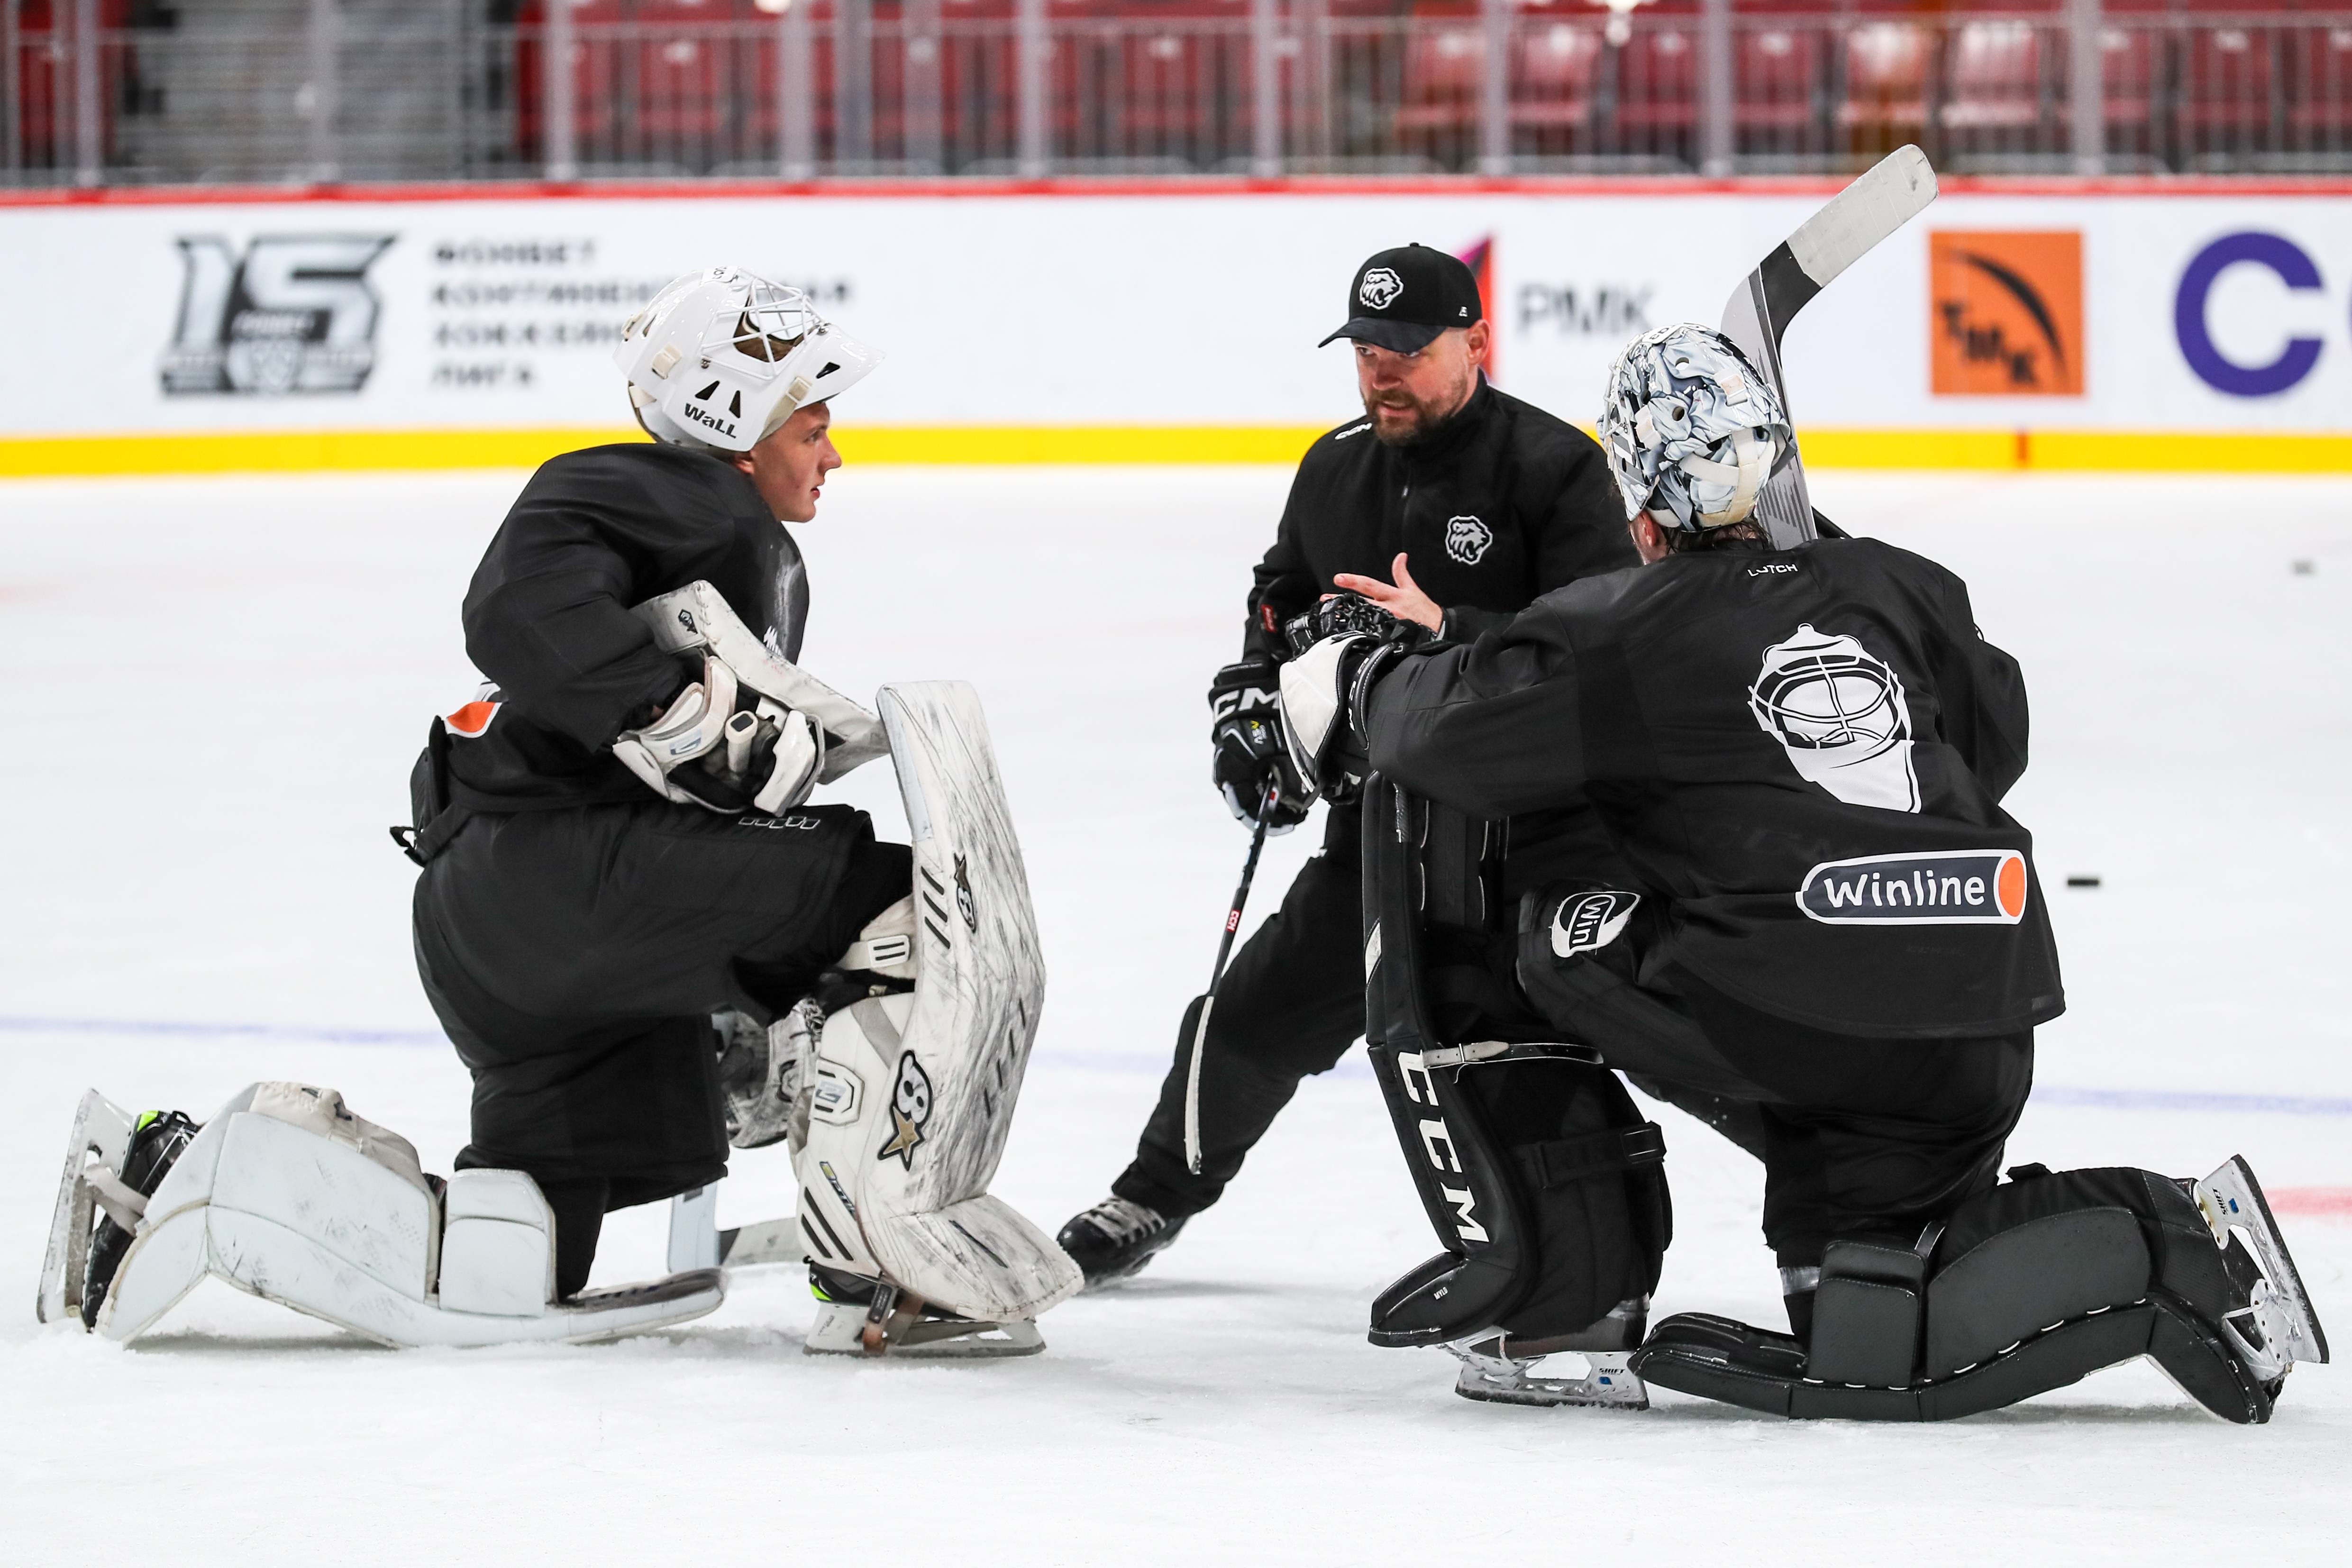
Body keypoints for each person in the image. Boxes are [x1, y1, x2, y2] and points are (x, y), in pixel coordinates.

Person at [1276, 321, 2329, 1421]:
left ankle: (1572, 1286)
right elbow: (1991, 743)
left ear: (1637, 504)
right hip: (1979, 1024)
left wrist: (1359, 674)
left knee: (1554, 926)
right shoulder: (1903, 585)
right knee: (1868, 1321)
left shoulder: (1625, 626)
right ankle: (2179, 1238)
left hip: (1814, 1015)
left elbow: (1447, 738)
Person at [1053, 242, 1639, 1286]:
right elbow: (1278, 599)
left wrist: (1452, 626)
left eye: (1408, 348)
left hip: (1527, 846)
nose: (1382, 370)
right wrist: (1248, 709)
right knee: (1248, 1016)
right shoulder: (1334, 465)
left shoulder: (1556, 468)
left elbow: (1606, 654)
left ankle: (1572, 1253)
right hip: (1376, 832)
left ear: (1476, 343)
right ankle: (1150, 1196)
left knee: (1529, 1047)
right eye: (1367, 348)